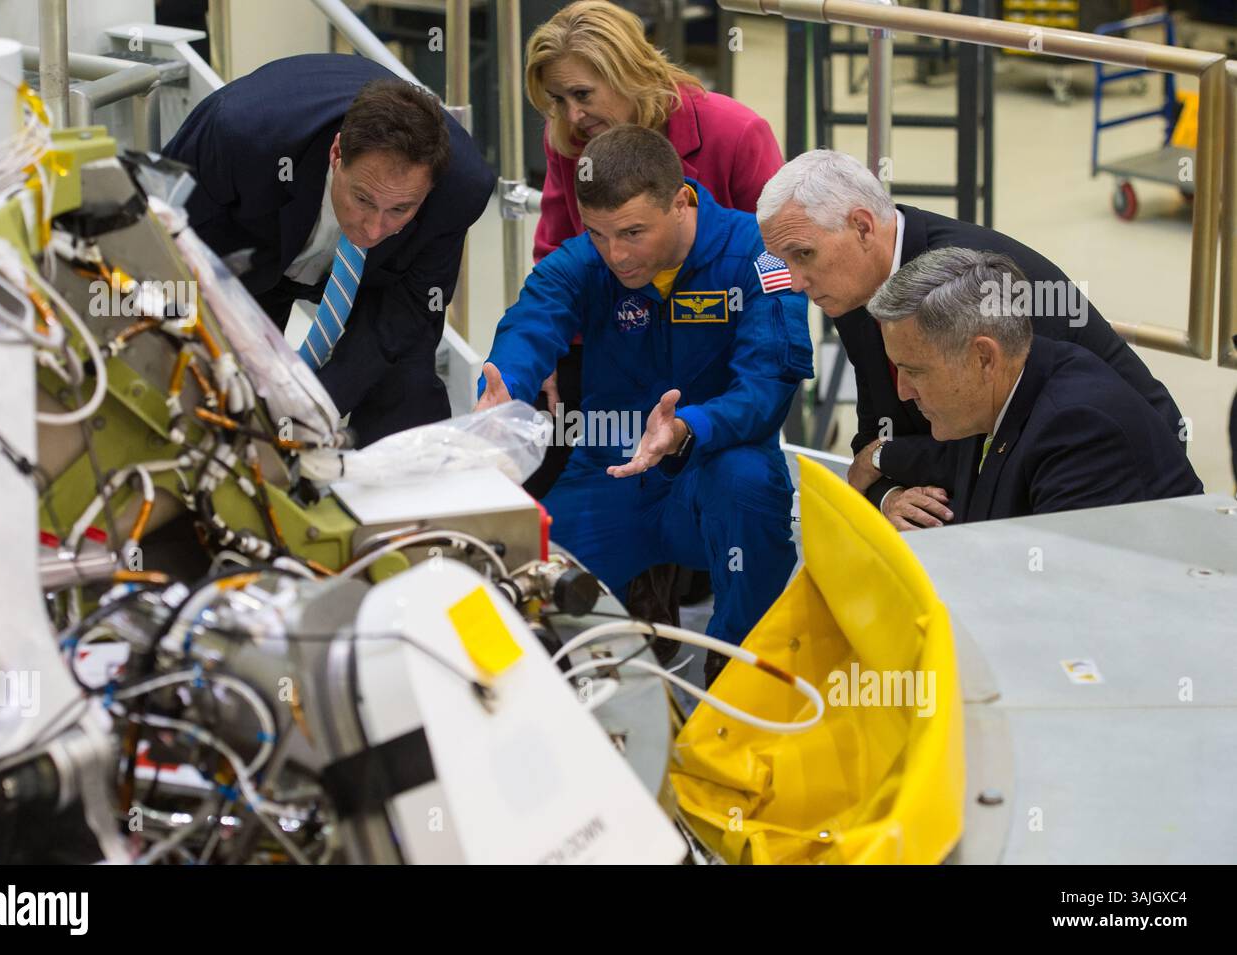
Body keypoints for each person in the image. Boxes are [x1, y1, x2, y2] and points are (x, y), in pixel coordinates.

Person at [475, 126, 812, 685]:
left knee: (748, 484)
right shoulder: (584, 263)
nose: (617, 254)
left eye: (633, 231)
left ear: (681, 201)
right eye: (600, 234)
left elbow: (768, 385)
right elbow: (532, 320)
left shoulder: (758, 256)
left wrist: (688, 427)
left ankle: (740, 675)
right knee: (531, 590)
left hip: (715, 467)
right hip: (612, 469)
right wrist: (503, 388)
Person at [523, 0, 785, 626]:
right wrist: (547, 354)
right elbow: (559, 247)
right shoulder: (574, 138)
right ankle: (625, 595)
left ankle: (689, 591)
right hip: (618, 334)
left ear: (630, 70)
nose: (571, 116)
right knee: (550, 444)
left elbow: (780, 263)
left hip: (718, 338)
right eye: (556, 100)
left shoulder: (736, 134)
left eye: (582, 93)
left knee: (730, 473)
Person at [756, 149, 1185, 530]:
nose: (793, 283)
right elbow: (877, 429)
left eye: (804, 254)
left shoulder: (984, 286)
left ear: (863, 227)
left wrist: (879, 462)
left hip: (1103, 498)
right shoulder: (854, 286)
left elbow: (1011, 442)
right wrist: (887, 495)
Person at [163, 54, 495, 447]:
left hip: (381, 282)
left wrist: (318, 403)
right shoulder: (238, 133)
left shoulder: (462, 187)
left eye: (400, 209)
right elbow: (163, 232)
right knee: (217, 387)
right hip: (251, 252)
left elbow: (409, 309)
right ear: (337, 154)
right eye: (364, 199)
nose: (373, 228)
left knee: (406, 390)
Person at [866, 248, 1202, 522]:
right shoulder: (1002, 386)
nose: (904, 391)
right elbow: (949, 461)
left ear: (983, 357)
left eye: (916, 371)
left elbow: (1060, 590)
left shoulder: (1079, 431)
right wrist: (878, 460)